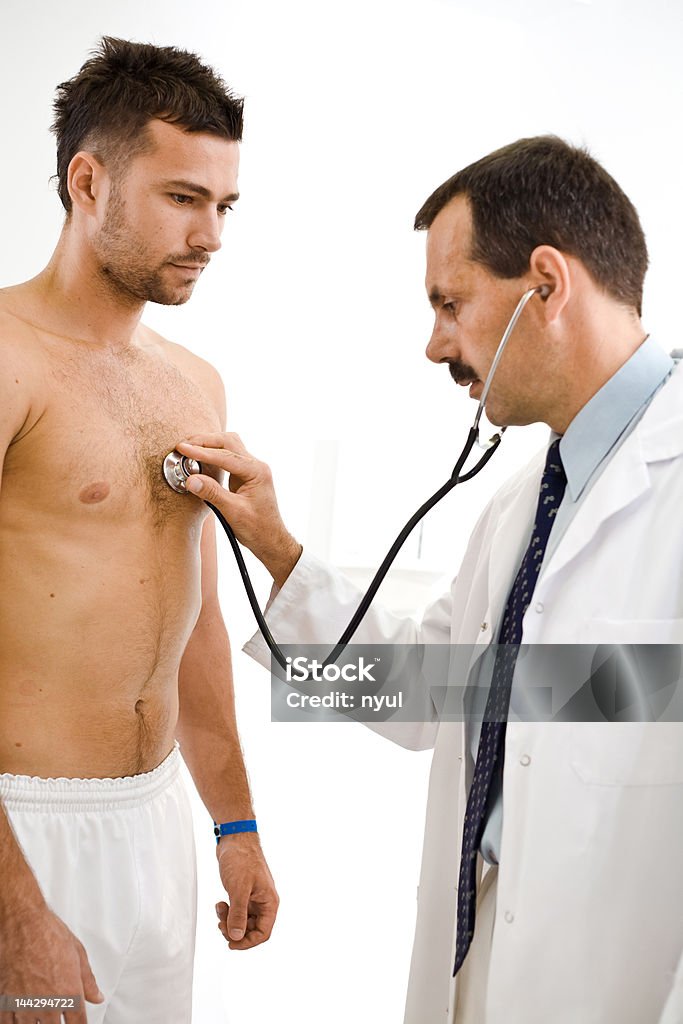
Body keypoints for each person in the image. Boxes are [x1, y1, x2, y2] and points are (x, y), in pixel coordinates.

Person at [175, 137, 683, 1024]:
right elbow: (429, 695)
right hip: (484, 967)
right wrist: (279, 551)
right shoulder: (526, 502)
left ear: (546, 286)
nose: (433, 343)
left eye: (450, 303)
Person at [0, 37, 278, 1024]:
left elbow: (193, 622)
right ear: (88, 180)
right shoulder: (6, 360)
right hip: (20, 828)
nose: (211, 233)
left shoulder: (193, 383)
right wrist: (14, 905)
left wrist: (233, 821)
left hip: (150, 826)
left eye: (224, 205)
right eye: (181, 197)